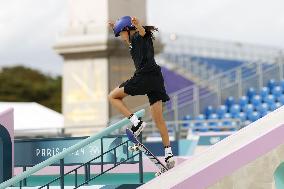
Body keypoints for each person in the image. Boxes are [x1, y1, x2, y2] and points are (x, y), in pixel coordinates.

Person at [108, 16, 175, 168]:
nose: (121, 37)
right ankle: (169, 155)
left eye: (121, 33)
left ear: (128, 30)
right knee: (159, 119)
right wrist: (115, 27)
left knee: (112, 96)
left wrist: (137, 25)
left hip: (144, 77)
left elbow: (143, 33)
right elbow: (130, 37)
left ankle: (136, 122)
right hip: (156, 79)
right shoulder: (132, 42)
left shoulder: (140, 36)